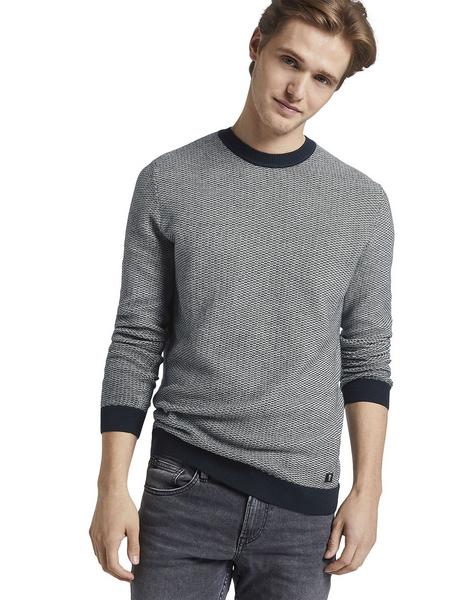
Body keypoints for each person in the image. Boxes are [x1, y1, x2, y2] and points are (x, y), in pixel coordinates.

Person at [89, 1, 395, 598]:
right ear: (256, 46)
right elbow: (137, 338)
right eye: (290, 61)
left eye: (323, 78)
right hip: (184, 485)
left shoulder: (361, 204)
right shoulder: (167, 181)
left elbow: (366, 353)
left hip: (303, 508)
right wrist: (110, 487)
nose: (298, 90)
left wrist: (369, 491)